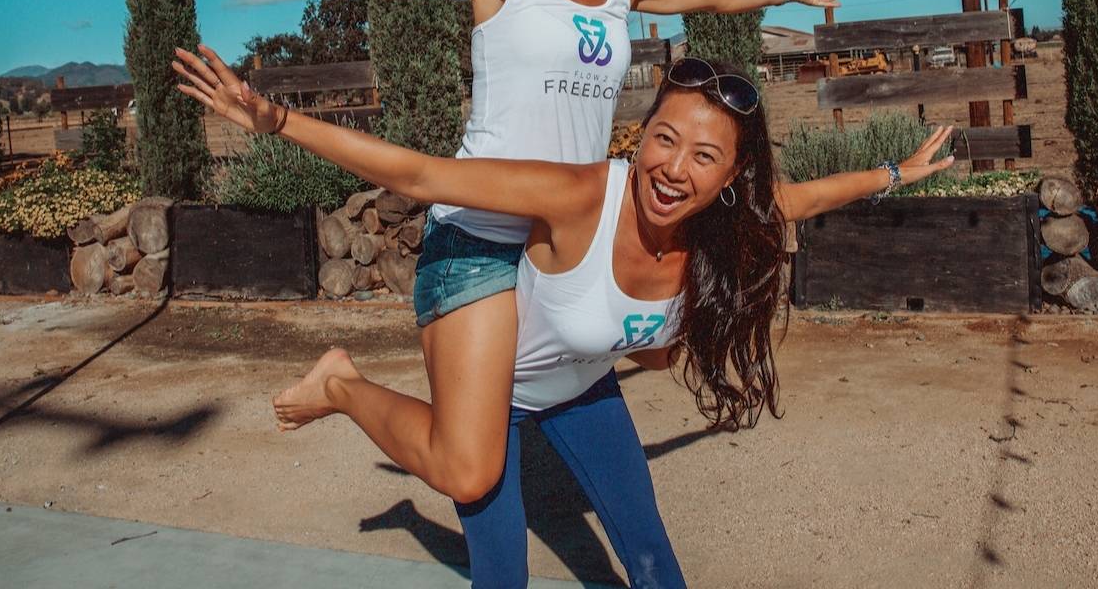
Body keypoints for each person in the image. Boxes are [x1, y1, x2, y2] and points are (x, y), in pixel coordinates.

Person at [112, 0, 839, 505]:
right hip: (482, 238)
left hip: (562, 242)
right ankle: (342, 384)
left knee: (611, 373)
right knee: (471, 472)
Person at [175, 44, 954, 586]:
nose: (674, 168)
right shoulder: (584, 197)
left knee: (651, 557)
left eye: (704, 157)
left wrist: (897, 171)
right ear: (641, 134)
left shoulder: (733, 221)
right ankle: (344, 385)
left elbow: (811, 197)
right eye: (664, 138)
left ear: (733, 175)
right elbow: (422, 172)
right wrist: (274, 120)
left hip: (582, 390)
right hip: (499, 397)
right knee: (500, 570)